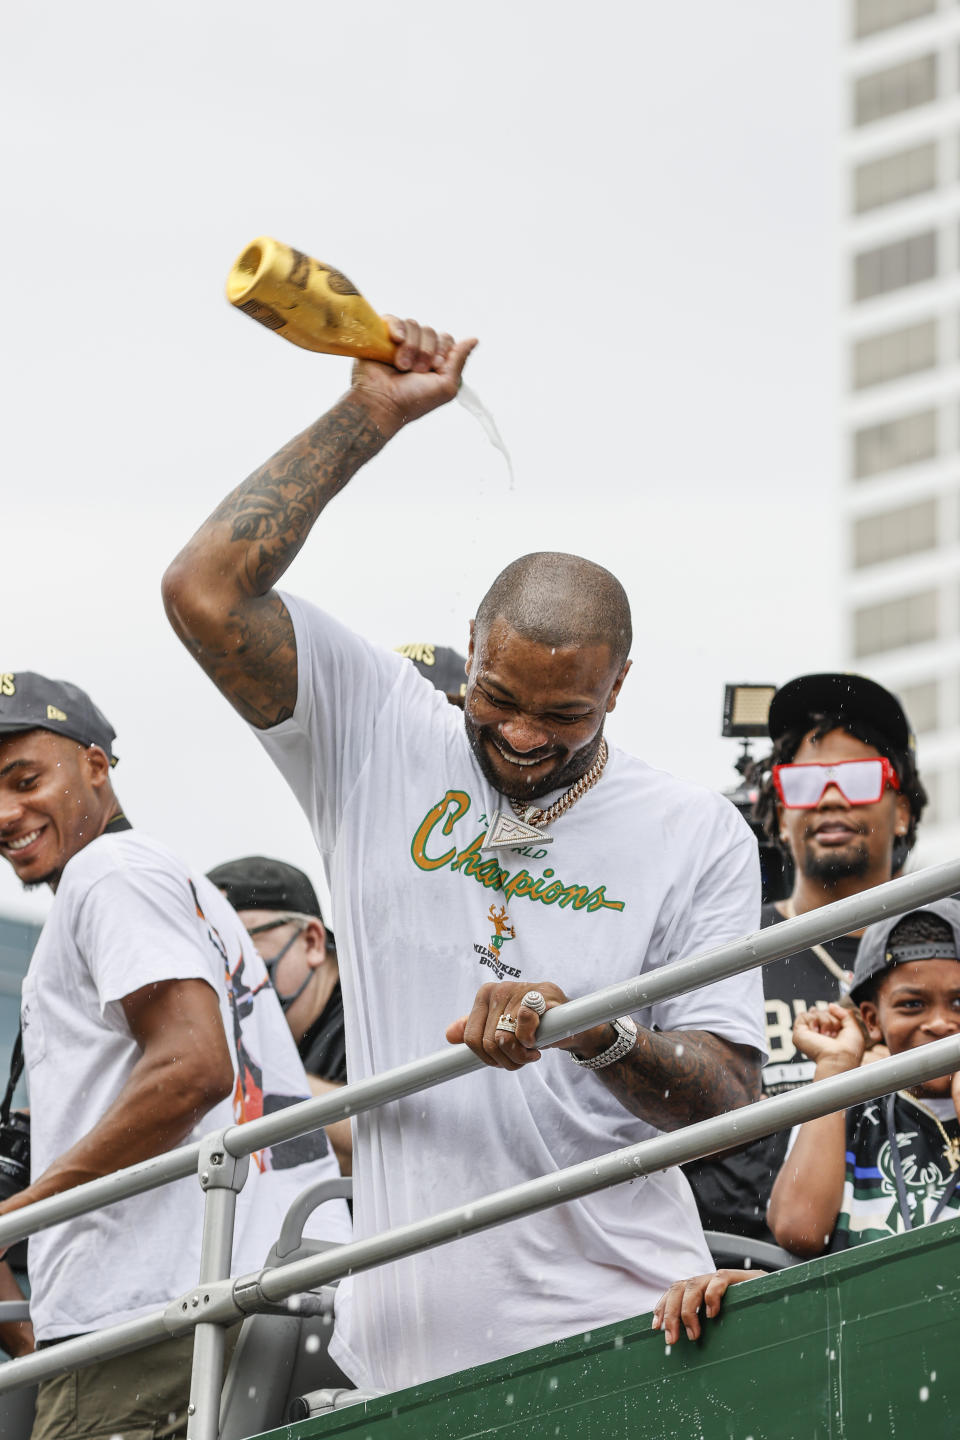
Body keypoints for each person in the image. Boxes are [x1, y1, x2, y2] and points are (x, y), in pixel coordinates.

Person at [162, 315, 766, 1393]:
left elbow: (731, 1108)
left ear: (619, 688)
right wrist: (369, 415)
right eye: (497, 699)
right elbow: (205, 592)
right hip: (403, 1356)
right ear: (470, 652)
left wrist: (594, 1030)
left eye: (565, 714)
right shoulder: (381, 733)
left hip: (619, 1333)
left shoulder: (693, 831)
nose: (525, 736)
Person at [0, 674, 351, 1440]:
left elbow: (193, 1068)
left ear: (97, 767)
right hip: (226, 1293)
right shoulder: (175, 883)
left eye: (25, 779)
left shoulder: (109, 874)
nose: (5, 813)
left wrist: (21, 1213)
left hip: (154, 1314)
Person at [684, 672, 927, 1247]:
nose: (831, 798)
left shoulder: (945, 949)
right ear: (778, 813)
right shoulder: (725, 949)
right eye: (804, 783)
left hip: (914, 1249)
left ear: (902, 812)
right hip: (739, 1268)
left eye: (859, 778)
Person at [654, 898, 960, 1345]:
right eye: (912, 1005)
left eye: (959, 1002)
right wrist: (834, 1069)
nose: (939, 1024)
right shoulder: (846, 1104)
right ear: (872, 1020)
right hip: (870, 1337)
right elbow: (799, 1229)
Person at [208, 855, 353, 1173]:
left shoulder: (368, 1017)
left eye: (242, 947)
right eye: (212, 954)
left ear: (312, 942)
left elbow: (382, 1139)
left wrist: (239, 1068)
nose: (229, 971)